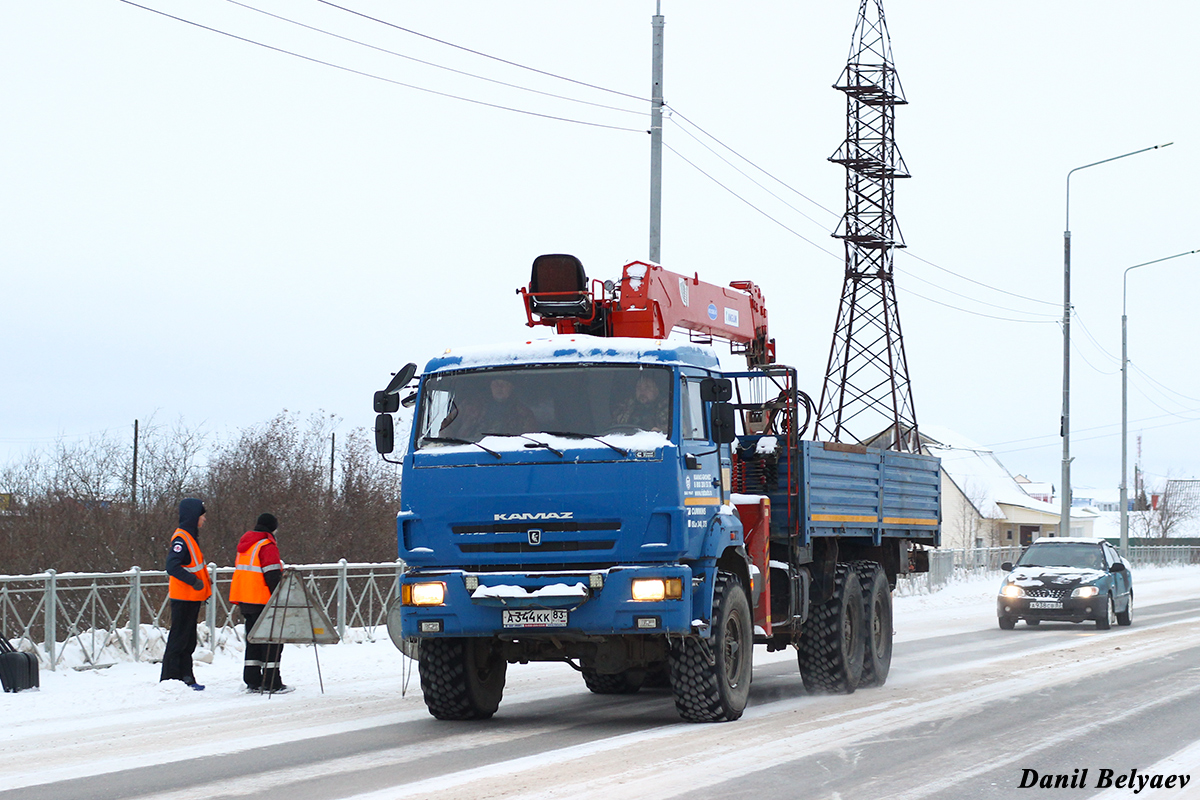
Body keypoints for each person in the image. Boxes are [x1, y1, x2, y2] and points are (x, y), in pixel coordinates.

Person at [229, 513, 291, 694]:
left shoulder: (246, 544)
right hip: (263, 600)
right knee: (273, 641)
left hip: (246, 599)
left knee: (253, 640)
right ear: (273, 528)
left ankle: (252, 679)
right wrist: (280, 596)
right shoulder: (267, 545)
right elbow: (272, 575)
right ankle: (272, 681)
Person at [161, 498, 212, 690]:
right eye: (202, 516)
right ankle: (171, 679)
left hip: (192, 597)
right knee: (179, 638)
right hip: (183, 596)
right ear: (193, 516)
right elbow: (171, 566)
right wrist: (194, 582)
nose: (204, 519)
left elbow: (194, 566)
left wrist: (204, 582)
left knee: (188, 640)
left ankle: (186, 677)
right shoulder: (182, 538)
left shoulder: (190, 537)